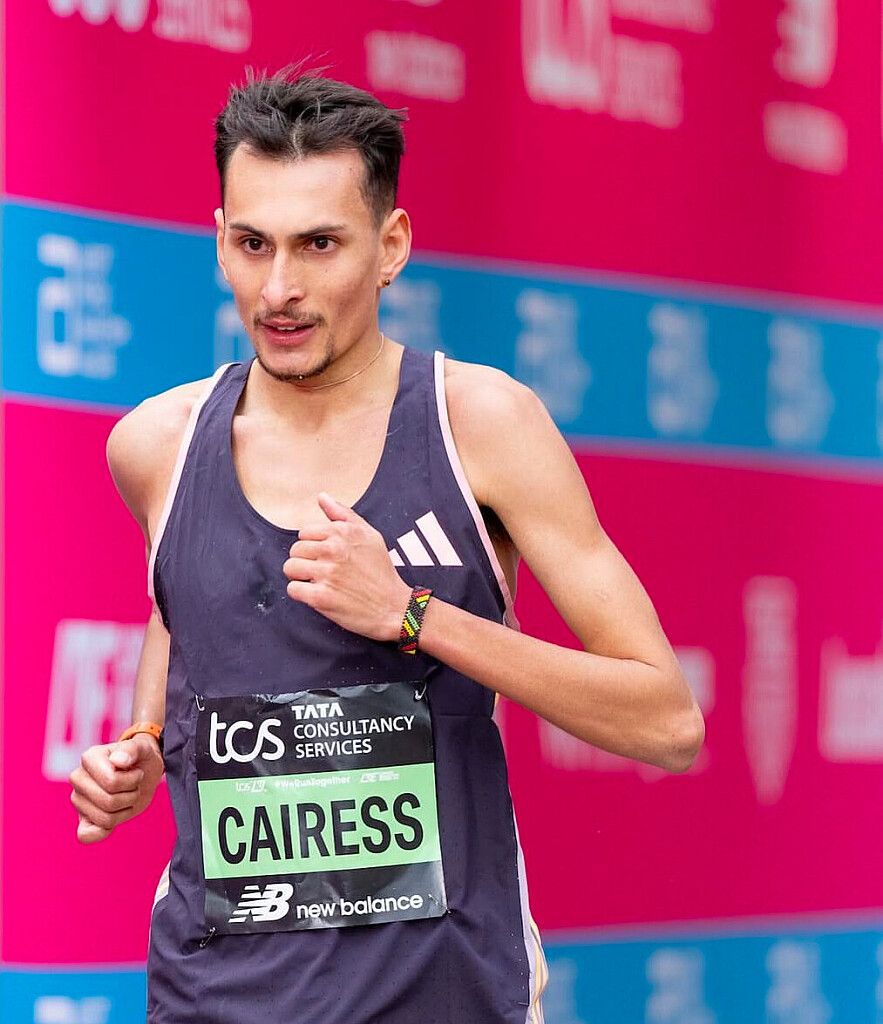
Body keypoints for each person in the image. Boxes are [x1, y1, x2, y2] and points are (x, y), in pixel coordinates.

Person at [69, 67, 704, 1024]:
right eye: (253, 244)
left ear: (390, 246)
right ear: (221, 240)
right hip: (212, 998)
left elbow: (665, 723)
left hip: (445, 995)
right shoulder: (153, 446)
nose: (280, 289)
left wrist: (410, 614)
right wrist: (144, 741)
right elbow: (186, 607)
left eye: (319, 245)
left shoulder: (480, 423)